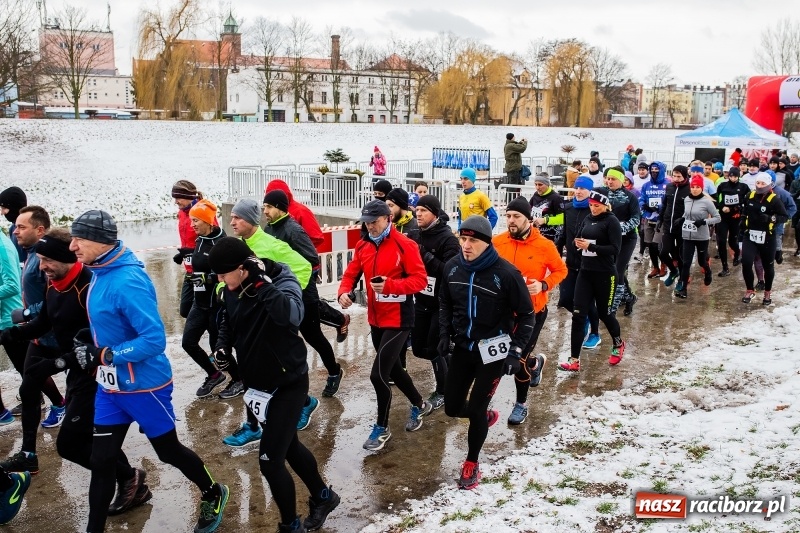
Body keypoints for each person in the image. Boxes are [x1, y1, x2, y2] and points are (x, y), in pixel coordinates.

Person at [68, 209, 228, 533]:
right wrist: (89, 340)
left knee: (168, 452)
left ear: (100, 241)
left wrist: (107, 353)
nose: (72, 246)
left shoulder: (127, 280)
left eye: (79, 238)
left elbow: (154, 340)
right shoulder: (98, 270)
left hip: (145, 386)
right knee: (101, 463)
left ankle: (213, 491)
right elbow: (109, 323)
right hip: (111, 389)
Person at [1, 227, 152, 515]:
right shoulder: (54, 283)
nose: (41, 266)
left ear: (66, 257)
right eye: (39, 259)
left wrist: (56, 363)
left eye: (47, 260)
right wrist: (9, 334)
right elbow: (45, 322)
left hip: (97, 373)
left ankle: (129, 477)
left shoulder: (88, 287)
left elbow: (99, 342)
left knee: (70, 443)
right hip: (77, 371)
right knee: (91, 438)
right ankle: (130, 479)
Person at [210, 237, 339, 533]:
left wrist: (261, 283)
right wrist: (221, 345)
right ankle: (323, 496)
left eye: (223, 274)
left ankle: (290, 526)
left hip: (288, 382)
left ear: (244, 268)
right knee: (288, 446)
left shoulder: (280, 279)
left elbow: (291, 315)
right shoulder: (230, 286)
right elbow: (227, 320)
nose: (219, 280)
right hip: (258, 386)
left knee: (269, 461)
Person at [439, 215, 534, 489]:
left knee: (477, 407)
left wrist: (516, 352)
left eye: (472, 240)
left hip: (493, 351)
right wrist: (444, 334)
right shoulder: (452, 267)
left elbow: (527, 315)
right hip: (464, 347)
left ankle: (471, 461)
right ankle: (484, 417)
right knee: (453, 408)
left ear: (486, 242)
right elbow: (444, 302)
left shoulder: (506, 273)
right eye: (463, 239)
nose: (466, 246)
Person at [337, 200, 432, 451]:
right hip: (376, 318)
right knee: (392, 370)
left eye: (374, 221)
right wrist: (344, 292)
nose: (370, 227)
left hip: (399, 318)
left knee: (378, 375)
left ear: (387, 218)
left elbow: (420, 280)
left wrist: (390, 286)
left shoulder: (406, 244)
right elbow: (351, 273)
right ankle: (420, 405)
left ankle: (381, 428)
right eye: (366, 222)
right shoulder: (363, 244)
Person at [228, 198, 317, 439]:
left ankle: (299, 404)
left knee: (277, 369)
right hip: (248, 318)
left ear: (250, 219)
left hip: (272, 319)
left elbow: (304, 266)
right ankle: (254, 424)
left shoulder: (271, 244)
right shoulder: (238, 245)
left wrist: (287, 300)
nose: (232, 221)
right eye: (232, 217)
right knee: (252, 366)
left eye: (238, 217)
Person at [263, 189, 345, 399]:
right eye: (264, 207)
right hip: (281, 292)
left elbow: (311, 258)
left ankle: (334, 371)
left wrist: (293, 279)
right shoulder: (269, 229)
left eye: (269, 207)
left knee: (313, 336)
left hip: (303, 292)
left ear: (281, 209)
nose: (265, 211)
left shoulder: (293, 230)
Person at [493, 197, 566, 425]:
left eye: (516, 216)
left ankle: (521, 404)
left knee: (518, 360)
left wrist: (543, 284)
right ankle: (537, 364)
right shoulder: (497, 242)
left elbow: (561, 270)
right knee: (500, 354)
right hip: (504, 312)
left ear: (528, 219)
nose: (511, 221)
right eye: (508, 216)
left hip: (533, 312)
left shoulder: (545, 246)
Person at [5, 207, 67, 447]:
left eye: (21, 227)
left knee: (84, 385)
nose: (15, 231)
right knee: (29, 388)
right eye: (15, 226)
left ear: (40, 229)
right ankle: (28, 452)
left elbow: (57, 298)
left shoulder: (48, 258)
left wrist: (26, 313)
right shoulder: (33, 253)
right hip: (38, 336)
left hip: (57, 336)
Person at [264, 179, 351, 343]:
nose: (266, 209)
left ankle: (340, 320)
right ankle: (339, 320)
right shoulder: (273, 216)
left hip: (305, 267)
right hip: (285, 270)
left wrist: (294, 251)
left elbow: (317, 237)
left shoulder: (300, 211)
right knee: (305, 304)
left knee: (310, 304)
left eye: (270, 203)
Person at [182, 199, 243, 399]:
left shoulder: (222, 242)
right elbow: (199, 261)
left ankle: (238, 379)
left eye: (195, 221)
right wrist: (186, 256)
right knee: (188, 342)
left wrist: (207, 278)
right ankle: (214, 374)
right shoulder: (199, 240)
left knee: (219, 349)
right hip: (199, 304)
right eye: (191, 220)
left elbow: (227, 273)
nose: (192, 225)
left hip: (217, 306)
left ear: (208, 221)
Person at [558, 190, 625, 372]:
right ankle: (574, 360)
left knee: (605, 314)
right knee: (578, 315)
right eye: (591, 205)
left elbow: (615, 249)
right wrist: (577, 244)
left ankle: (618, 343)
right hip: (585, 272)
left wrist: (591, 246)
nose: (593, 209)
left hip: (605, 274)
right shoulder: (587, 218)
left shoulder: (611, 221)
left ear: (605, 205)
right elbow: (578, 239)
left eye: (597, 206)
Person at [410, 195, 460, 410]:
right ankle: (453, 362)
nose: (418, 214)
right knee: (419, 349)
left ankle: (444, 391)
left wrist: (426, 257)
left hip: (441, 303)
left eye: (423, 210)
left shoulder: (447, 239)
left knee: (435, 348)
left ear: (435, 213)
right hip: (420, 299)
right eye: (417, 210)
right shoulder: (414, 234)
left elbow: (451, 272)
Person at [556, 177, 602, 350]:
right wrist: (557, 252)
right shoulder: (568, 208)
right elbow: (564, 233)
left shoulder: (595, 211)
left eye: (583, 188)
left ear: (590, 191)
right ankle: (585, 319)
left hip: (589, 264)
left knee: (587, 302)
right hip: (570, 263)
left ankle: (594, 334)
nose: (579, 191)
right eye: (577, 188)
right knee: (566, 299)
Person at [597, 168, 641, 316]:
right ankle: (629, 297)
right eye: (608, 178)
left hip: (627, 238)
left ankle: (613, 306)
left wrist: (620, 228)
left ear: (621, 180)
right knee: (612, 271)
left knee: (618, 270)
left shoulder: (630, 197)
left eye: (613, 179)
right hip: (608, 238)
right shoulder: (601, 193)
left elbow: (636, 219)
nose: (609, 182)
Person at [740, 173, 788, 305]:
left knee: (768, 266)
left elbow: (784, 216)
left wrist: (771, 218)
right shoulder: (749, 196)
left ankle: (767, 292)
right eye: (758, 183)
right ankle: (750, 290)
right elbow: (745, 210)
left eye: (762, 184)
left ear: (768, 185)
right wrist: (743, 220)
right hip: (750, 235)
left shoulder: (774, 199)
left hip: (767, 236)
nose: (759, 186)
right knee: (746, 262)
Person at [675, 176, 720, 299]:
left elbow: (717, 218)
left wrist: (704, 221)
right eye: (693, 187)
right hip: (687, 235)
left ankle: (708, 271)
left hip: (701, 236)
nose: (694, 189)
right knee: (686, 263)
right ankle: (683, 289)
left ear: (702, 188)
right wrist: (682, 219)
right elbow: (686, 213)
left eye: (697, 187)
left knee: (701, 261)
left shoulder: (707, 202)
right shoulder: (687, 199)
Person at [0, 230, 23, 425]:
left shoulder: (3, 246)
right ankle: (1, 413)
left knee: (26, 367)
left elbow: (13, 285)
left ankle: (59, 403)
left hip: (9, 318)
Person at [171, 180, 201, 319]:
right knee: (185, 309)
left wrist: (193, 252)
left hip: (201, 269)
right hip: (189, 268)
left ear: (188, 196)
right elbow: (187, 238)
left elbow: (213, 239)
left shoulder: (202, 211)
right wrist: (183, 252)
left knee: (202, 308)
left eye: (178, 198)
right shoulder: (182, 213)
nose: (176, 202)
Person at [658, 165, 691, 288]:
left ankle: (682, 281)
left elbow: (692, 208)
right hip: (668, 225)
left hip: (682, 227)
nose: (676, 179)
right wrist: (660, 220)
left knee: (682, 256)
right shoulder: (669, 187)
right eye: (674, 176)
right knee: (663, 252)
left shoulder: (689, 189)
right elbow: (665, 204)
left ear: (684, 176)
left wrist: (684, 218)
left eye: (679, 176)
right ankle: (673, 271)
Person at [714, 167, 749, 276]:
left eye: (735, 176)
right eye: (731, 176)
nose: (733, 178)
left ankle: (737, 253)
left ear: (739, 176)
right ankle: (725, 267)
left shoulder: (743, 187)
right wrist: (721, 206)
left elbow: (747, 201)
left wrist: (735, 208)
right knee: (721, 241)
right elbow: (716, 198)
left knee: (732, 241)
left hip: (735, 217)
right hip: (723, 217)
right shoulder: (722, 185)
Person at [639, 162, 668, 278]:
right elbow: (641, 199)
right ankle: (655, 267)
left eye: (657, 169)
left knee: (657, 245)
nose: (654, 171)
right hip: (648, 218)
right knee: (650, 245)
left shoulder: (668, 184)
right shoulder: (646, 185)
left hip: (661, 219)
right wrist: (644, 206)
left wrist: (659, 208)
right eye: (652, 169)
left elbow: (669, 201)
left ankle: (663, 266)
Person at [529, 173, 564, 247]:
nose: (537, 187)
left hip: (552, 238)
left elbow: (562, 219)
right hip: (536, 235)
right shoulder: (536, 195)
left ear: (547, 184)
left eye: (540, 185)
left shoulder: (556, 198)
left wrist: (545, 220)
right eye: (536, 184)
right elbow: (529, 209)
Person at [0, 187, 28, 263]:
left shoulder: (27, 231)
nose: (2, 213)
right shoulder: (12, 228)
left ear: (14, 207)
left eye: (4, 208)